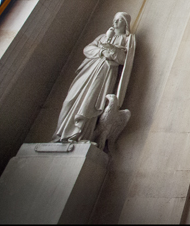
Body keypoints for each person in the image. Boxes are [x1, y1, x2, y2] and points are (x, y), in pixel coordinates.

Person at [53, 12, 133, 143]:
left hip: (104, 74)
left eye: (119, 20)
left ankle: (79, 135)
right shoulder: (102, 37)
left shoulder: (127, 40)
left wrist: (111, 48)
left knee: (89, 102)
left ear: (125, 22)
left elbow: (123, 59)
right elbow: (87, 49)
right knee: (70, 101)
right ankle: (60, 134)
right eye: (114, 20)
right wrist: (102, 50)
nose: (115, 23)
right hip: (89, 70)